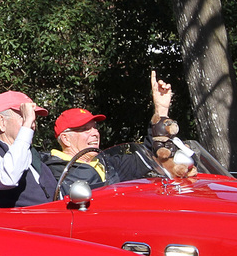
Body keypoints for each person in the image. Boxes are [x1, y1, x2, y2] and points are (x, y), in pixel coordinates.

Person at [44, 71, 174, 194]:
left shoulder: (105, 162)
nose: (95, 132)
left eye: (95, 127)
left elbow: (147, 157)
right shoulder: (56, 172)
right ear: (66, 139)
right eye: (85, 129)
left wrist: (161, 111)